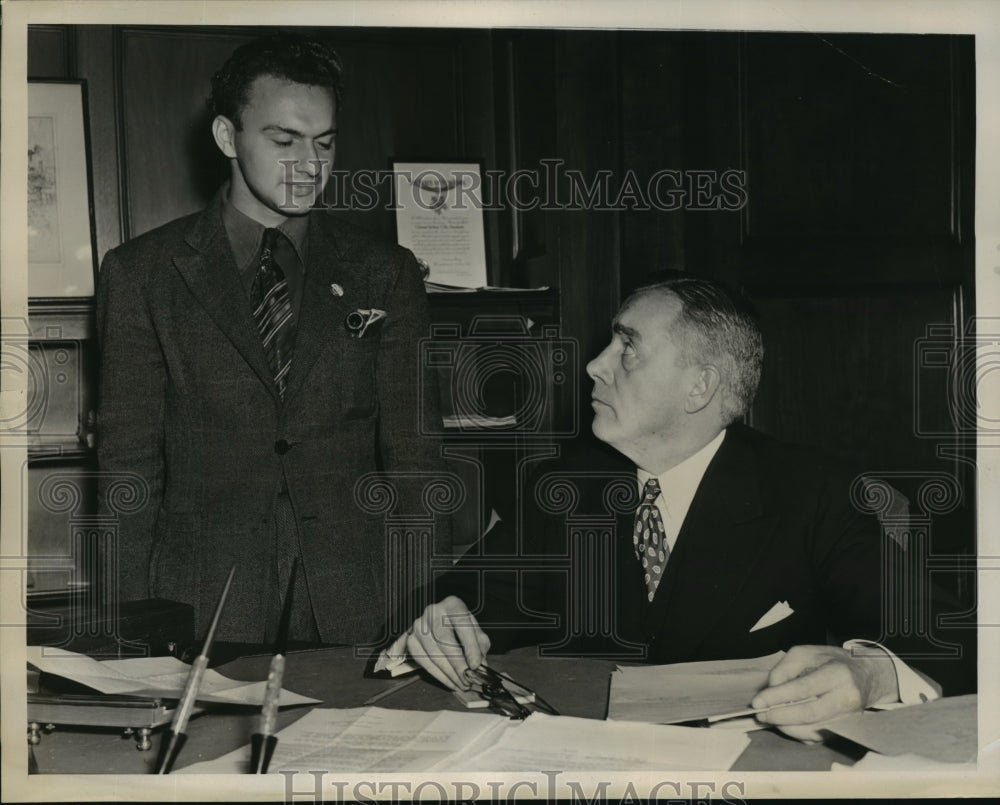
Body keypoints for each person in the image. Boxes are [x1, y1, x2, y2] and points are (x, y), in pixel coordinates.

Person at [388, 274, 973, 741]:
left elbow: (946, 635)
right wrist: (447, 614)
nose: (595, 364)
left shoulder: (811, 491)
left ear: (699, 388)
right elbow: (466, 596)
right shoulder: (564, 486)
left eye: (628, 347)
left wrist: (870, 674)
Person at [96, 33, 447, 645]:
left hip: (358, 601)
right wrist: (129, 628)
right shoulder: (141, 273)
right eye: (283, 140)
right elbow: (127, 467)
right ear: (227, 137)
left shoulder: (385, 272)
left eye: (325, 142)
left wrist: (423, 602)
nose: (309, 165)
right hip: (200, 601)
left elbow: (417, 460)